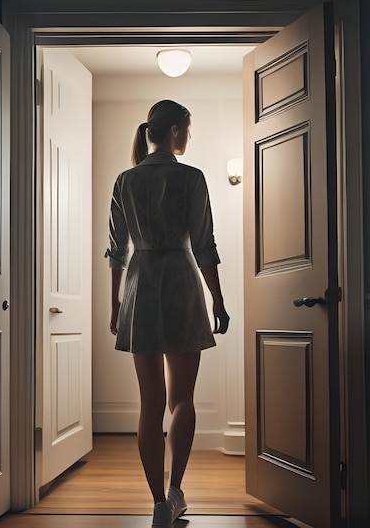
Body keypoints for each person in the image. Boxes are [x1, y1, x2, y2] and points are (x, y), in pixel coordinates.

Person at [105, 100, 230, 528]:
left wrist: (116, 302)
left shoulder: (126, 180)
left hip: (140, 287)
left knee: (150, 403)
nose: (188, 138)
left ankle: (159, 502)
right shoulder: (190, 177)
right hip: (180, 284)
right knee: (182, 400)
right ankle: (175, 491)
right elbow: (205, 246)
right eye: (187, 131)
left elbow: (116, 251)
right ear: (175, 131)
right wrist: (218, 298)